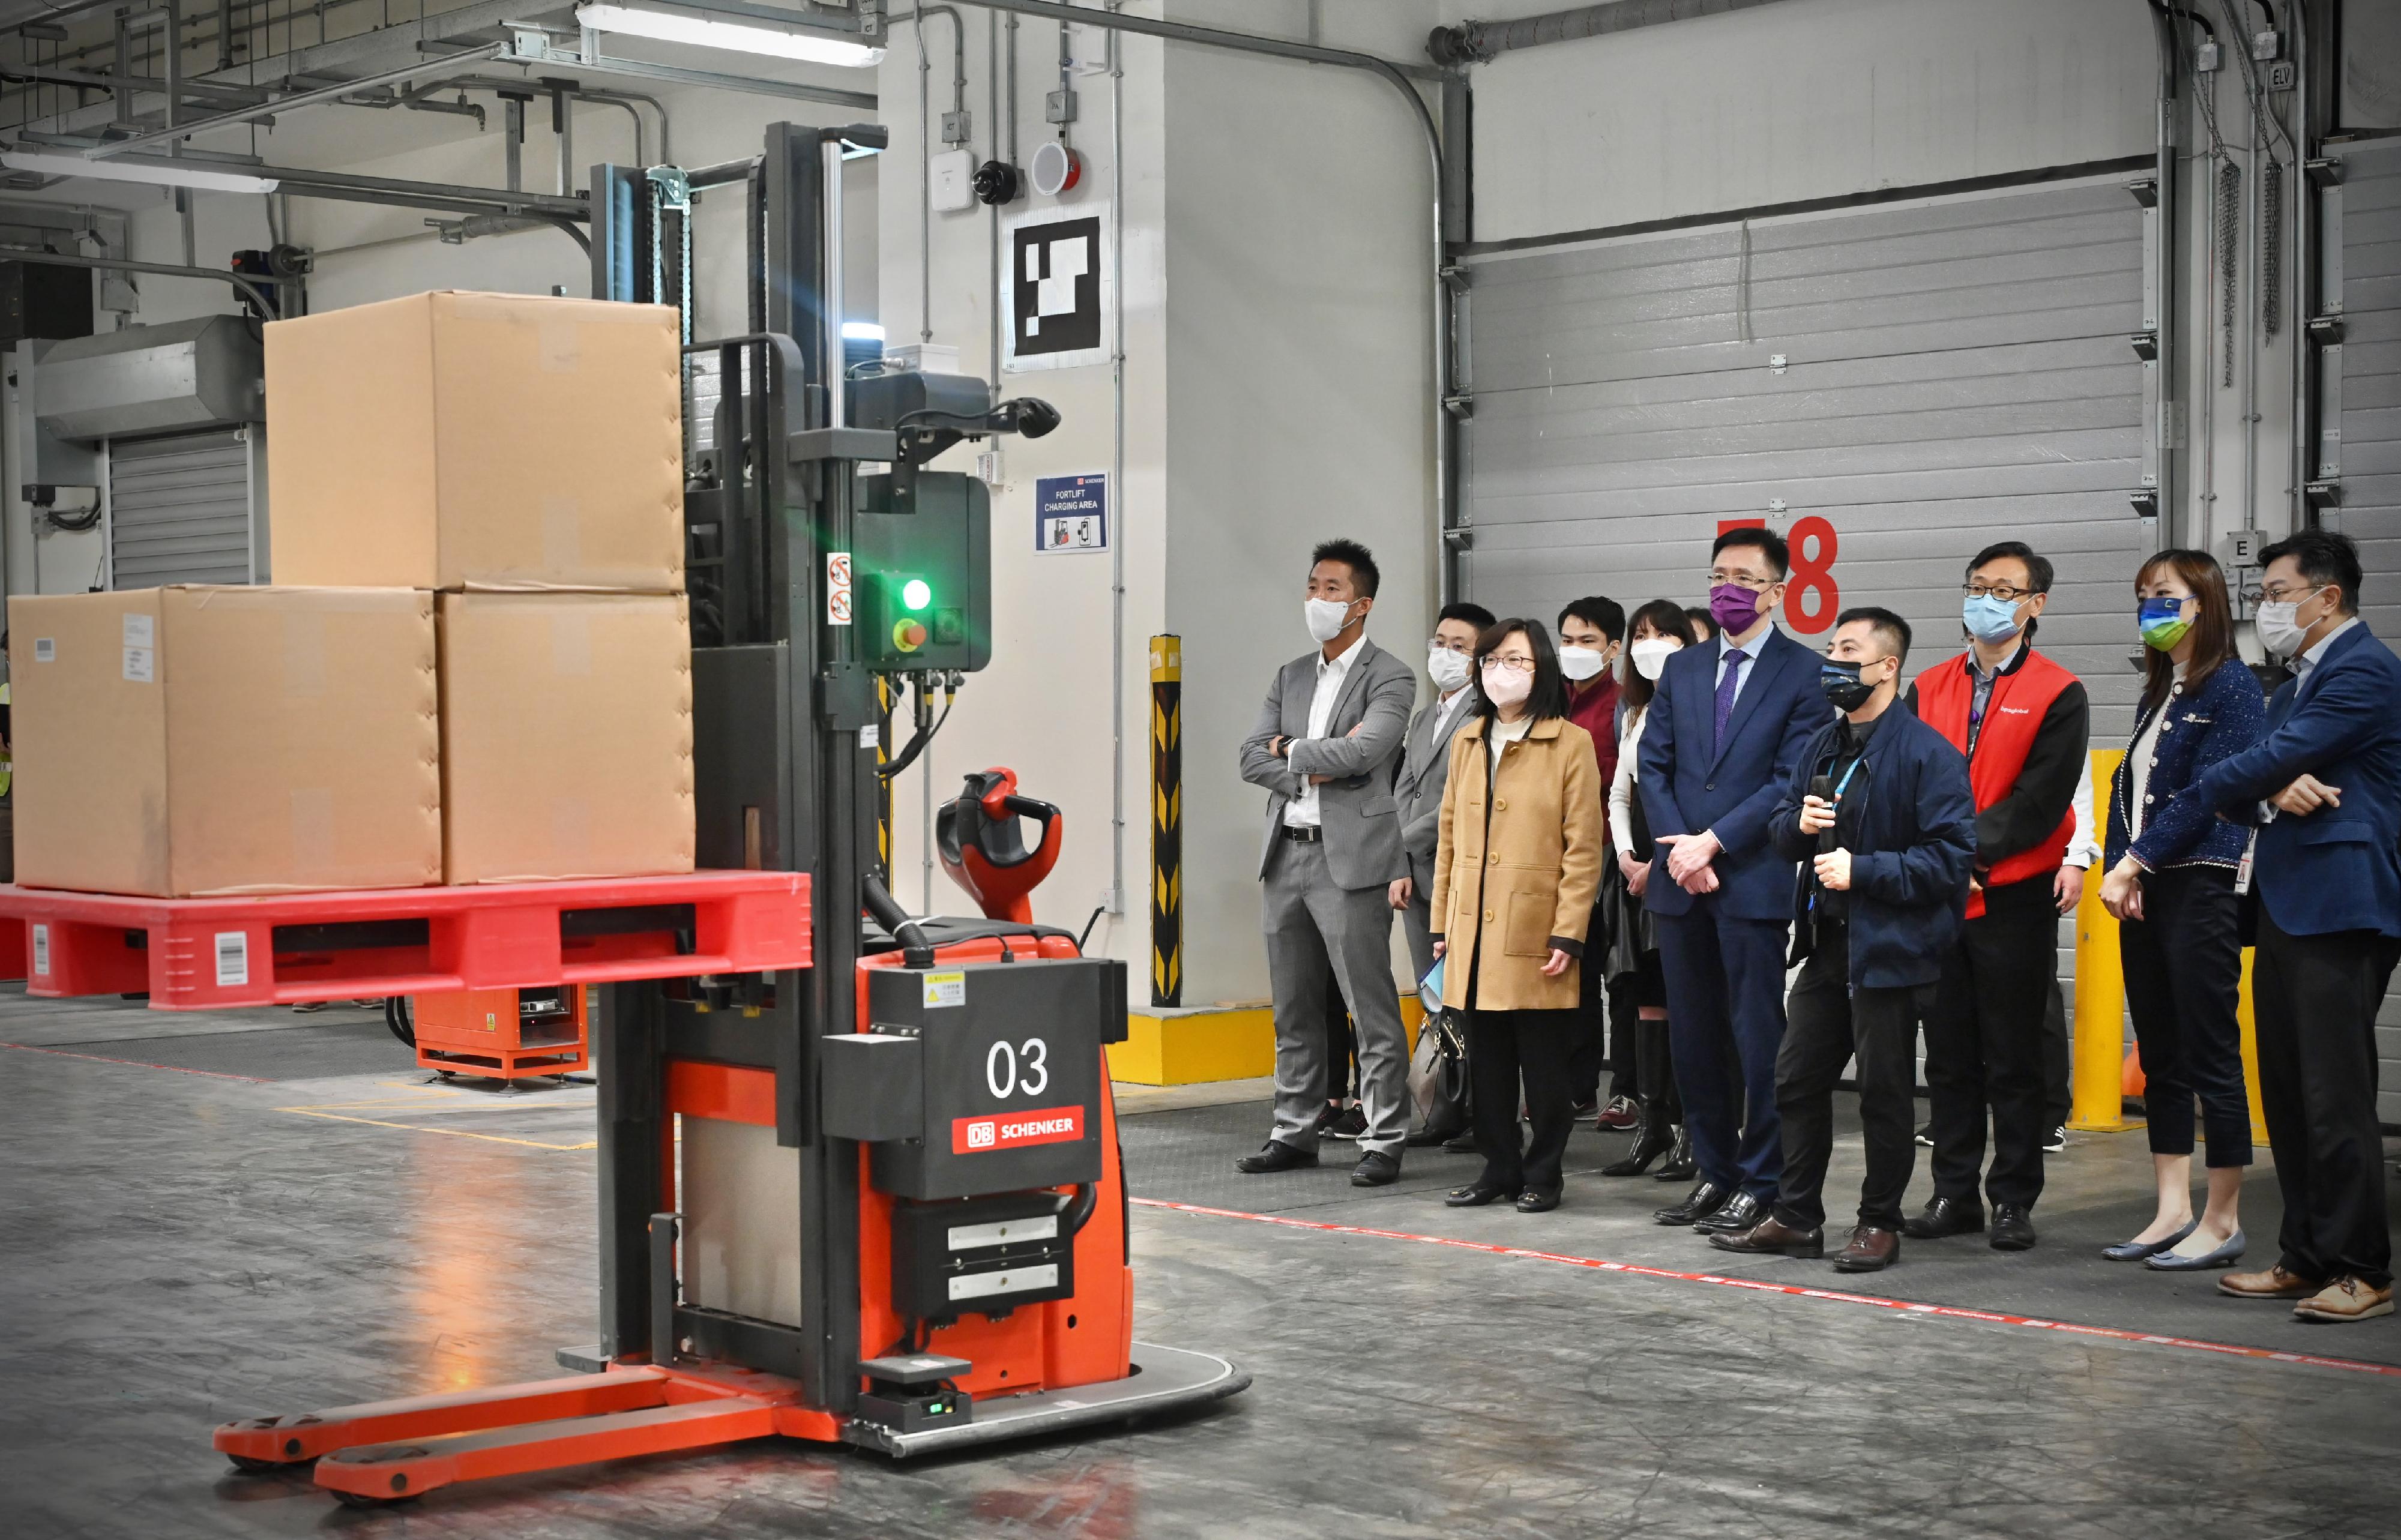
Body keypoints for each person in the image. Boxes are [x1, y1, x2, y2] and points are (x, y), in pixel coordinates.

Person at [1711, 609, 1974, 1272]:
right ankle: (1797, 1216)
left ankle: (1878, 1222)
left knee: (1884, 1093)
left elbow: (1950, 861)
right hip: (1828, 945)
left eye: (1847, 650)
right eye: (1829, 648)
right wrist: (1796, 824)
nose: (1832, 661)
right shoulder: (1822, 745)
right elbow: (1779, 832)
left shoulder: (1927, 754)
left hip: (1890, 949)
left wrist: (1866, 871)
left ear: (1887, 666)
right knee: (1794, 1078)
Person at [2197, 529, 2400, 1324]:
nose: (2266, 608)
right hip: (2286, 902)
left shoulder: (2365, 672)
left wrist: (2254, 775)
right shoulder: (2294, 685)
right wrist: (2272, 788)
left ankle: (2363, 1267)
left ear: (2329, 597)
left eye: (2277, 592)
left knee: (2334, 1092)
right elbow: (2254, 777)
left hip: (2342, 903)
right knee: (2284, 1089)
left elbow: (2236, 766)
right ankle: (2307, 1254)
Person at [1637, 527, 1831, 1236]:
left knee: (1756, 1040)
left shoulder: (1804, 673)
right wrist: (1679, 849)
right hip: (1680, 881)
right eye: (1719, 575)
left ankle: (1763, 1180)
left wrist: (1713, 842)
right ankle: (1714, 1174)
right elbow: (1652, 766)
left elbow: (1791, 778)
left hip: (1750, 878)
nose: (1728, 589)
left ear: (1778, 591)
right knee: (1693, 1039)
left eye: (1746, 579)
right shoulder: (1682, 669)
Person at [1905, 541, 2089, 1253]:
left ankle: (2012, 1197)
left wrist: (1966, 854)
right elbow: (1907, 781)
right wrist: (1941, 862)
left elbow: (2040, 802)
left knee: (2012, 1055)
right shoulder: (1927, 685)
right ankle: (1953, 1191)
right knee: (1947, 1053)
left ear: (2035, 603)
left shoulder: (2058, 691)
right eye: (1978, 586)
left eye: (2005, 590)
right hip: (1940, 895)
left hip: (2011, 896)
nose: (1988, 599)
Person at [2092, 550, 2264, 1271]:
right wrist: (2120, 868)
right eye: (2142, 598)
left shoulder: (2233, 686)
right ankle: (2171, 1208)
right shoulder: (2162, 689)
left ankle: (2222, 1217)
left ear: (2205, 600)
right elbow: (2126, 792)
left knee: (2208, 1050)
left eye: (2164, 595)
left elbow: (2207, 794)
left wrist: (2135, 863)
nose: (2150, 610)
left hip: (2199, 882)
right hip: (2147, 889)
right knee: (2159, 1050)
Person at [1237, 538, 1418, 1188]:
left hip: (1353, 863)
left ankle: (1384, 1135)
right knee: (1293, 1007)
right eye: (1313, 586)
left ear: (1362, 603)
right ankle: (1294, 1128)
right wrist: (1308, 762)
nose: (1317, 599)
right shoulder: (1290, 674)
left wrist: (1292, 750)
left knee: (1367, 1007)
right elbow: (1249, 756)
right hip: (1286, 851)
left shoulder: (1391, 676)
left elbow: (1368, 750)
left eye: (1332, 589)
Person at [1430, 619, 1604, 1213]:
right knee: (1488, 1062)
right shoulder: (1468, 739)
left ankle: (1543, 1172)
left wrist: (1569, 930)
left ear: (1542, 670)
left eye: (1518, 660)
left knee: (1544, 1065)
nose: (1501, 670)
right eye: (1494, 658)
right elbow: (1449, 837)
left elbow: (1584, 848)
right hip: (1472, 928)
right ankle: (1498, 1167)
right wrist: (1441, 924)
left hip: (1537, 929)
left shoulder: (1570, 742)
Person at [1391, 600, 1496, 1146]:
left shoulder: (1484, 715)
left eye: (1460, 647)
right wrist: (1396, 858)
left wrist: (1398, 842)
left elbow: (1456, 800)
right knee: (1435, 995)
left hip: (1458, 873)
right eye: (1440, 642)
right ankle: (1447, 1107)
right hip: (1414, 874)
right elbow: (1404, 790)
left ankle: (1482, 1109)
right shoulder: (1423, 717)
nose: (1445, 654)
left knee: (1469, 991)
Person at [1601, 600, 1699, 1179]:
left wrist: (1659, 863)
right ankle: (1653, 1125)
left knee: (1687, 1003)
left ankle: (1691, 1128)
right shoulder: (1634, 712)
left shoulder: (1699, 707)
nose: (1651, 643)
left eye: (1664, 633)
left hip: (1679, 869)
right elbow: (1620, 793)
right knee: (1645, 1000)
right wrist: (1626, 857)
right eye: (1641, 634)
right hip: (1635, 870)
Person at [1556, 596, 1629, 1125]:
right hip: (1554, 858)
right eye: (1567, 640)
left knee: (1621, 975)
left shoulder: (1623, 705)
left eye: (1587, 641)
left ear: (1614, 648)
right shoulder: (1547, 701)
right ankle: (1577, 1087)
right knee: (1570, 972)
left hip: (1609, 851)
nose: (1574, 650)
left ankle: (1628, 1088)